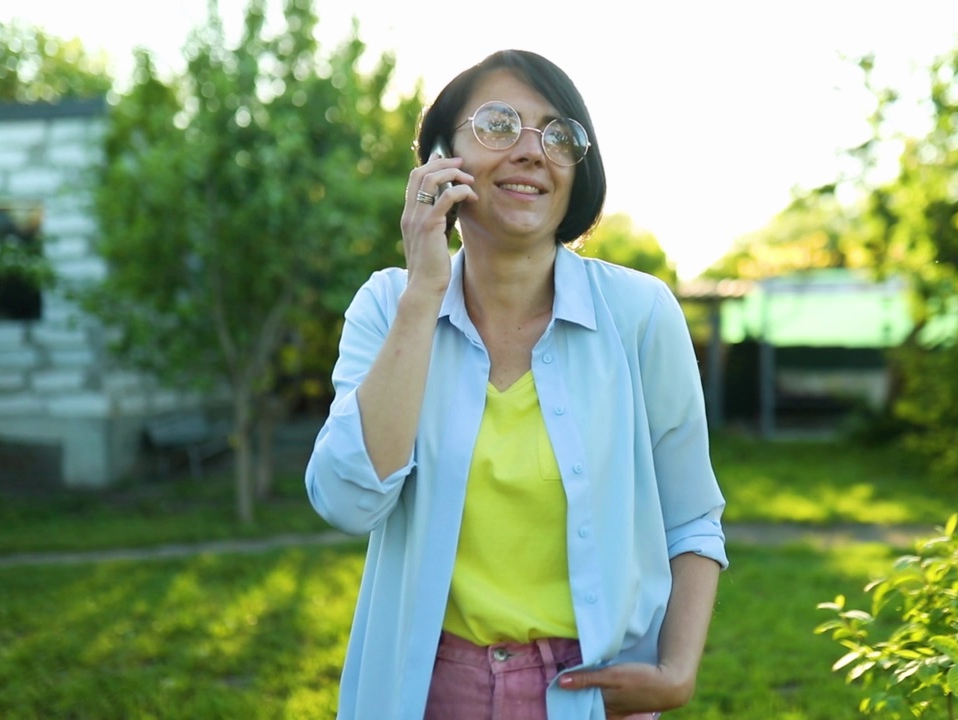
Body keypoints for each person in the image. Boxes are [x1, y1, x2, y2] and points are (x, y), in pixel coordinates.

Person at [305, 48, 728, 720]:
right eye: (499, 126)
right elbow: (347, 500)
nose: (534, 151)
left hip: (592, 697)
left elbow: (692, 520)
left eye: (559, 135)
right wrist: (424, 294)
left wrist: (677, 673)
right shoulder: (389, 306)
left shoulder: (640, 315)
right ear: (439, 160)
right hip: (426, 691)